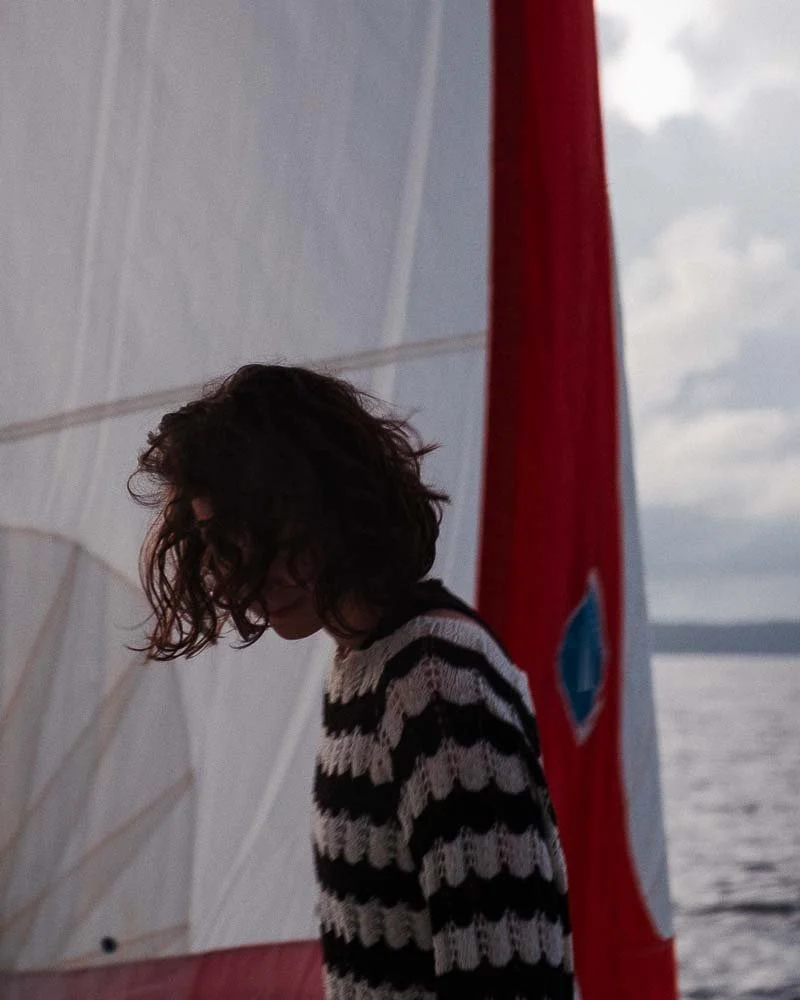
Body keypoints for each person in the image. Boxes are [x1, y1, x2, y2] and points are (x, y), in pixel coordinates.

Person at [129, 363, 573, 1000]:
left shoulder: (437, 686)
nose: (243, 576)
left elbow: (515, 980)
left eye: (269, 537)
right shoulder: (370, 665)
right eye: (220, 544)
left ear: (338, 507)